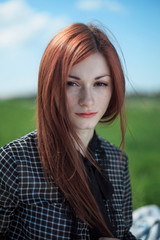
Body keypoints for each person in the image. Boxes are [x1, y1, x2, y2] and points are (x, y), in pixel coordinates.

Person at [0, 23, 138, 240]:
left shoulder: (117, 161)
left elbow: (125, 234)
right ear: (50, 86)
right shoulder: (15, 161)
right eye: (72, 84)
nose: (87, 100)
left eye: (100, 84)